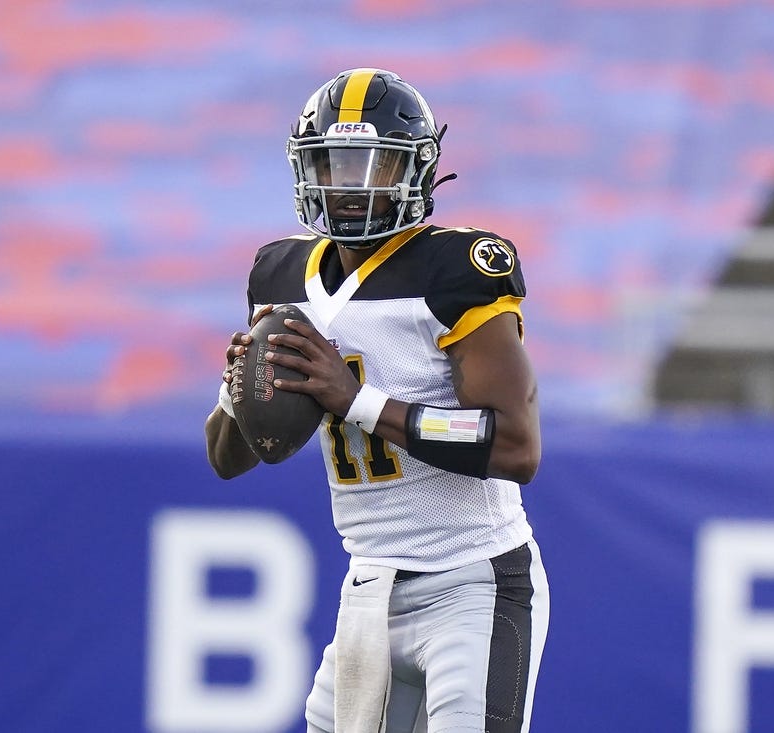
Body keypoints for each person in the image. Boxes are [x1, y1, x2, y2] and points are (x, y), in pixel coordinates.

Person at [205, 67, 548, 733]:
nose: (353, 185)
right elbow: (230, 457)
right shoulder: (278, 275)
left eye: (374, 164)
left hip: (472, 581)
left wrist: (358, 400)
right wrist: (238, 386)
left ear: (415, 171)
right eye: (334, 163)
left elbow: (516, 445)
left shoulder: (457, 269)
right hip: (367, 587)